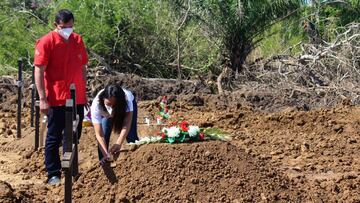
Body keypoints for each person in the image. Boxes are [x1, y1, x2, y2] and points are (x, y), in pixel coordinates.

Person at [33, 9, 88, 185]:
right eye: (64, 27)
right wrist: (42, 98)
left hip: (77, 97)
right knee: (54, 136)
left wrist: (83, 92)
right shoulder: (46, 42)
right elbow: (39, 70)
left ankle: (69, 168)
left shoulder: (77, 40)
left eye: (71, 26)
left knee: (74, 134)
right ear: (56, 25)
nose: (68, 30)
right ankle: (53, 173)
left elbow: (83, 66)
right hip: (56, 98)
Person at [90, 84, 139, 163]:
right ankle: (104, 161)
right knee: (105, 133)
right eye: (108, 104)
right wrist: (106, 155)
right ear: (103, 100)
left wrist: (118, 143)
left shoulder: (127, 100)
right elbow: (99, 135)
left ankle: (136, 160)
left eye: (114, 105)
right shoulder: (96, 105)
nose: (111, 109)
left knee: (131, 135)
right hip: (104, 113)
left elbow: (127, 124)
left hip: (122, 110)